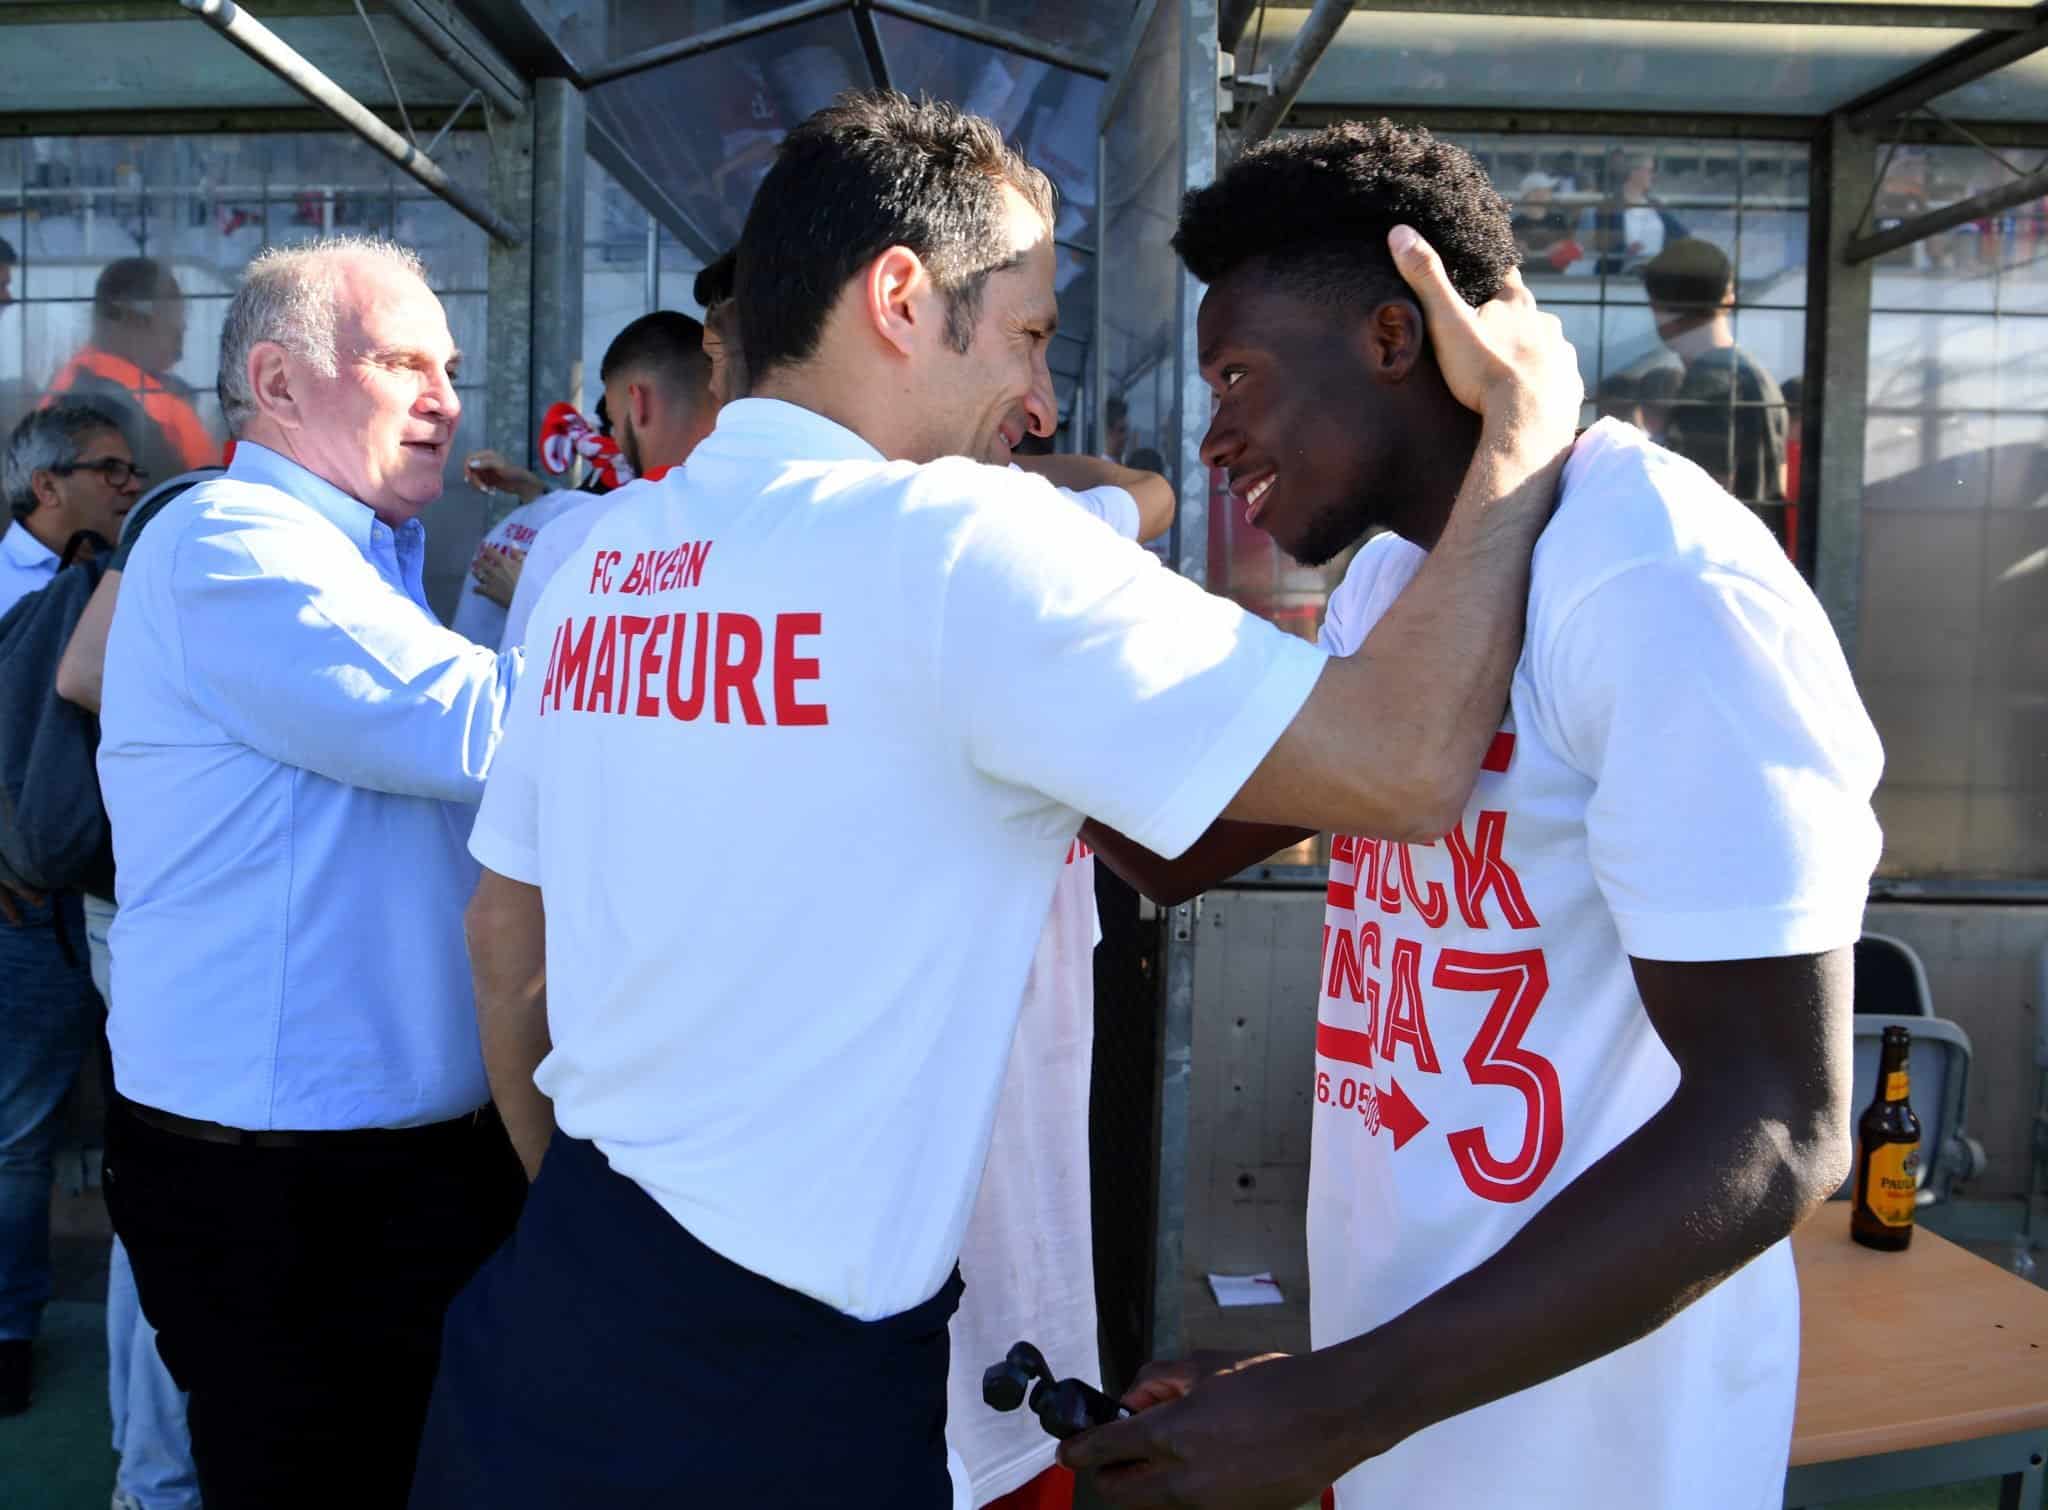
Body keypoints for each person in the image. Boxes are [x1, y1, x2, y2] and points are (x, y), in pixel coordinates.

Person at [406, 90, 1580, 1509]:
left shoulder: (593, 558)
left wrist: (602, 1248)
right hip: (777, 1396)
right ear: (902, 296)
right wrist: (1521, 433)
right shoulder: (961, 546)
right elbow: (1401, 763)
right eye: (1028, 333)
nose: (1037, 400)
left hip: (555, 1305)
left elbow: (500, 942)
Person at [1060, 119, 1881, 1510]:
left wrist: (1331, 1402)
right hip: (1414, 1442)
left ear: (1394, 337)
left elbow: (1777, 1126)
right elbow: (1174, 842)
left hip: (1602, 1472)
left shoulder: (1659, 585)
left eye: (1240, 376)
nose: (1212, 438)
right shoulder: (1401, 592)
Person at [95, 234, 527, 1510]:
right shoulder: (234, 540)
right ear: (278, 384)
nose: (446, 397)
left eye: (449, 365)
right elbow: (482, 730)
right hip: (287, 1189)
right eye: (402, 362)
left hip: (350, 1173)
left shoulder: (348, 550)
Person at [57, 464, 222, 1510]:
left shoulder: (187, 515)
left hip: (151, 907)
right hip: (150, 910)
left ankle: (142, 1457)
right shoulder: (193, 515)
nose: (125, 482)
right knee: (175, 1200)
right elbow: (83, 671)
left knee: (157, 1205)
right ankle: (151, 1473)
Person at [0, 400, 141, 1416]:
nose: (129, 486)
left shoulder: (131, 582)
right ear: (45, 485)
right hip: (22, 908)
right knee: (17, 1131)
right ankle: (10, 1331)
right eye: (109, 470)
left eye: (134, 471)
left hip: (113, 896)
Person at [494, 312, 718, 651]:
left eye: (613, 420)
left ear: (638, 403)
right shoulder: (776, 521)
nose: (614, 437)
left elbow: (519, 689)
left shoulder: (570, 540)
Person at [43, 258, 215, 487]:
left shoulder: (142, 389)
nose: (179, 352)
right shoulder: (99, 404)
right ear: (131, 321)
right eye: (172, 332)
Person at [1644, 237, 1789, 508]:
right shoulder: (1760, 379)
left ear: (1658, 309)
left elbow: (1702, 501)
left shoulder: (1709, 386)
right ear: (1729, 297)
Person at [1101, 394, 1129, 463]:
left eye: (1126, 430)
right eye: (1121, 430)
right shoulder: (1101, 470)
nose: (1125, 437)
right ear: (1108, 431)